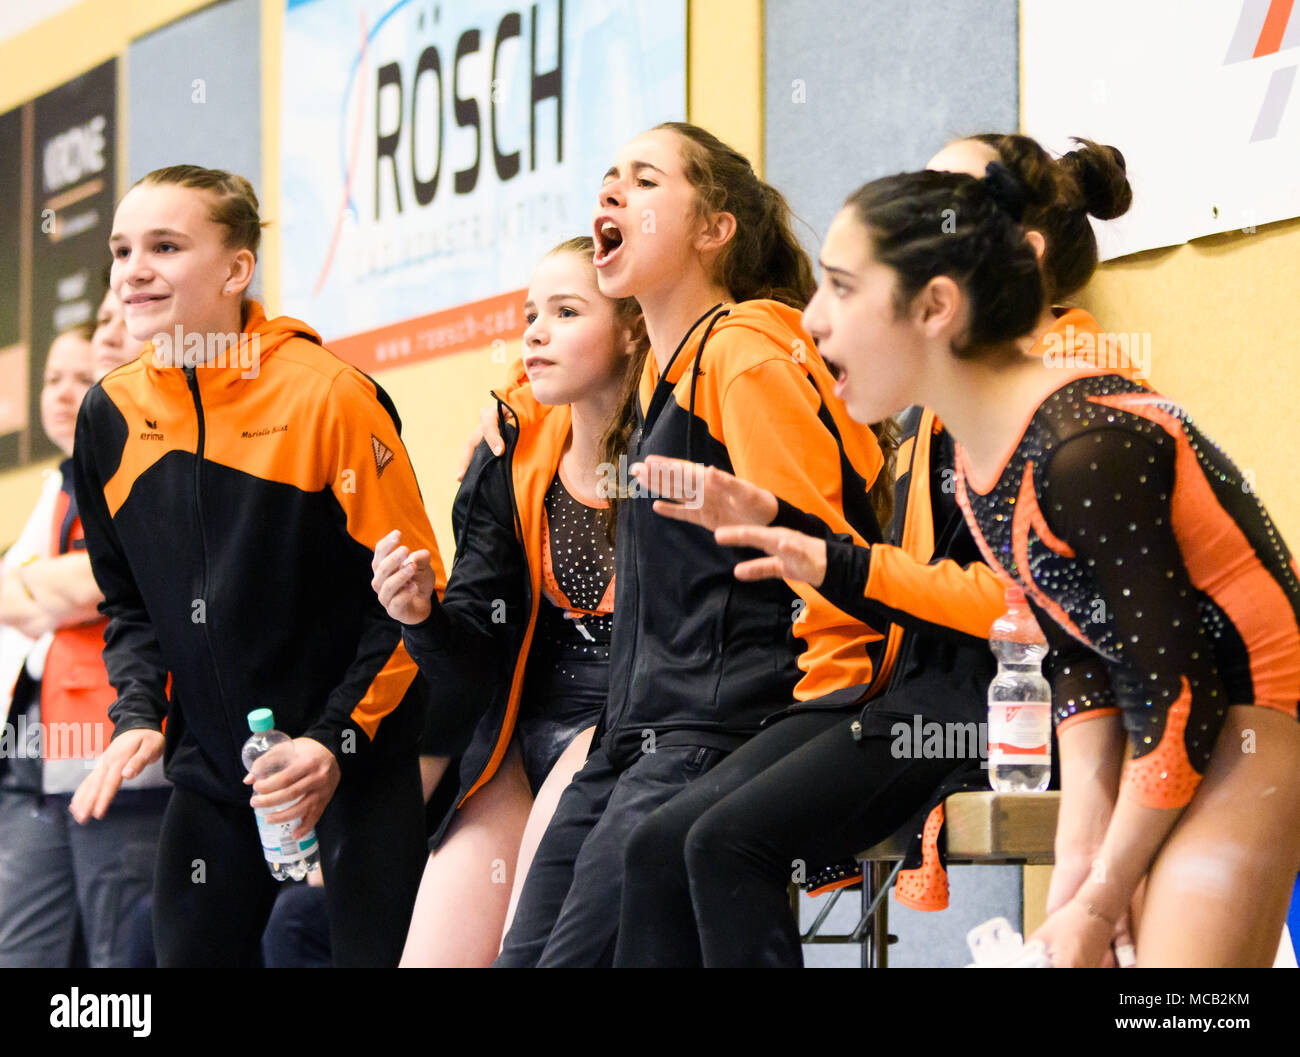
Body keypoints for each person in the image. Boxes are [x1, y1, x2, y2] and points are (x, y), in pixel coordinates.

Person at [681, 162, 1300, 967]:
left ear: (936, 306)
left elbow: (1175, 693)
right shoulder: (981, 466)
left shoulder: (1085, 445)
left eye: (840, 287)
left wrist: (1099, 895)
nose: (813, 320)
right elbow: (1075, 650)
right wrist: (1080, 863)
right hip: (1159, 714)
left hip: (1251, 711)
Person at [611, 133, 1142, 966]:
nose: (819, 321)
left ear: (1015, 259)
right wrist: (803, 542)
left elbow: (1042, 616)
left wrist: (1096, 884)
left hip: (1061, 707)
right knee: (666, 843)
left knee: (722, 844)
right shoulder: (954, 401)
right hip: (950, 693)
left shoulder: (1074, 403)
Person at [492, 122, 891, 966]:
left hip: (714, 732)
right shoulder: (663, 381)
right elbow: (563, 382)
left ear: (714, 230)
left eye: (643, 182)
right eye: (608, 180)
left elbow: (831, 555)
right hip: (627, 736)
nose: (611, 194)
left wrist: (820, 732)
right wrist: (509, 412)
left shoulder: (744, 353)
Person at [69, 164, 444, 967]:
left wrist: (333, 742)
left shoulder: (330, 397)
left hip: (353, 761)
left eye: (165, 246)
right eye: (121, 248)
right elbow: (130, 603)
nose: (133, 269)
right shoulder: (108, 414)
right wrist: (138, 711)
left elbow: (413, 609)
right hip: (215, 768)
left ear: (237, 269)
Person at [370, 235, 645, 965]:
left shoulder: (676, 452)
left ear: (631, 330)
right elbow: (472, 661)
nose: (534, 332)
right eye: (529, 313)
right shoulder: (508, 451)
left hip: (628, 724)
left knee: (529, 948)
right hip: (519, 734)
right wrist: (422, 616)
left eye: (565, 311)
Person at [0, 323, 168, 967]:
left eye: (82, 377)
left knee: (118, 957)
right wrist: (35, 590)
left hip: (117, 751)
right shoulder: (56, 487)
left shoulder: (148, 464)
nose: (65, 392)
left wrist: (32, 589)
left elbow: (95, 583)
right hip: (37, 757)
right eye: (52, 379)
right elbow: (34, 601)